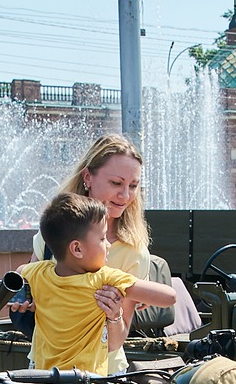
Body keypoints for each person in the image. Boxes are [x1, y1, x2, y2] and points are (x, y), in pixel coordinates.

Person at [19, 193, 175, 384]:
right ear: (77, 249)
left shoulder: (39, 273)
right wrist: (137, 289)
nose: (109, 245)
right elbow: (169, 297)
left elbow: (18, 273)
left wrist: (24, 294)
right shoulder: (104, 279)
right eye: (102, 239)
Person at [27, 135, 173, 369]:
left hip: (101, 379)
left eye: (133, 186)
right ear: (88, 177)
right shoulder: (52, 234)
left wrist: (114, 315)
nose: (125, 196)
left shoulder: (134, 252)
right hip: (45, 373)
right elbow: (27, 288)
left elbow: (115, 343)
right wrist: (26, 300)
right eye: (116, 183)